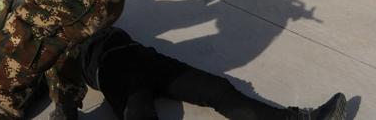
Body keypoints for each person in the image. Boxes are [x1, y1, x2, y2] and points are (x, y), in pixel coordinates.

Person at [81, 26, 347, 120]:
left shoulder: (84, 1)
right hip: (112, 70)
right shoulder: (47, 38)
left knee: (218, 90)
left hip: (145, 57)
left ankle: (294, 119)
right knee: (140, 116)